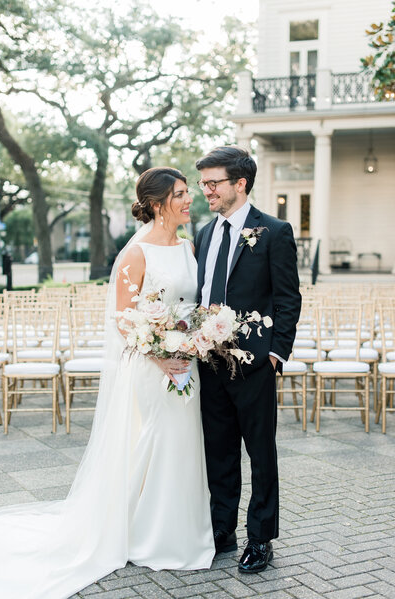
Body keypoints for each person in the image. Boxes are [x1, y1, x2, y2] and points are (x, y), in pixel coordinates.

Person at [0, 167, 214, 599]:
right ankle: (138, 531)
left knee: (182, 443)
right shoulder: (136, 253)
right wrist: (160, 354)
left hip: (187, 364)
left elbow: (194, 305)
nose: (191, 201)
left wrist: (194, 340)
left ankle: (178, 529)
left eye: (190, 193)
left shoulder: (190, 246)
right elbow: (123, 319)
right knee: (150, 441)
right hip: (152, 369)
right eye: (181, 194)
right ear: (157, 203)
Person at [195, 146, 301, 573]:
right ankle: (223, 530)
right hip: (209, 363)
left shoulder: (273, 231)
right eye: (203, 184)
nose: (207, 191)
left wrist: (275, 354)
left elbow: (288, 298)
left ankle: (260, 537)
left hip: (255, 364)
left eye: (213, 183)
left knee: (260, 453)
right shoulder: (204, 233)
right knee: (217, 452)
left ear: (240, 183)